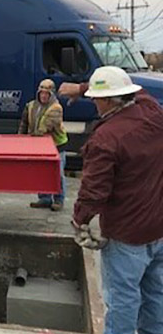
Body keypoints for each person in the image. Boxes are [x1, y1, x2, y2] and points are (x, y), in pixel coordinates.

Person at [64, 66, 163, 334]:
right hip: (158, 229)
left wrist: (80, 220)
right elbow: (137, 90)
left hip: (126, 234)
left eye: (95, 98)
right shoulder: (153, 111)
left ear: (107, 101)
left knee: (123, 299)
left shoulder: (106, 138)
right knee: (156, 295)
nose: (94, 103)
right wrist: (83, 88)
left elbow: (94, 191)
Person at [19, 79, 68, 211]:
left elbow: (45, 127)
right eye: (42, 93)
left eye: (47, 93)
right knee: (41, 172)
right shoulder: (31, 106)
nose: (44, 95)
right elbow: (24, 123)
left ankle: (58, 200)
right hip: (38, 145)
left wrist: (33, 139)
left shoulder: (56, 108)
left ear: (51, 94)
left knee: (58, 174)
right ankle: (44, 198)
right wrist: (21, 138)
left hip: (56, 145)